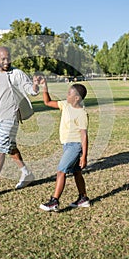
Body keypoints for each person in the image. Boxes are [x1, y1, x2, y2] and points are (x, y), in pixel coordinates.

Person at [0, 46, 40, 200]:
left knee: (0, 148)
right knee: (10, 147)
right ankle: (26, 173)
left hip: (11, 116)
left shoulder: (16, 73)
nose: (6, 61)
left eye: (8, 58)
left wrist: (36, 85)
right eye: (3, 59)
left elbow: (31, 90)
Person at [39, 78, 90, 211]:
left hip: (75, 146)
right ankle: (83, 198)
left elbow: (84, 135)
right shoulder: (65, 105)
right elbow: (47, 102)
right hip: (66, 145)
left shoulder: (82, 113)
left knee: (61, 171)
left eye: (69, 94)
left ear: (77, 98)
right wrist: (44, 87)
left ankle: (54, 201)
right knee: (77, 172)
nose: (67, 95)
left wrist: (84, 156)